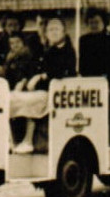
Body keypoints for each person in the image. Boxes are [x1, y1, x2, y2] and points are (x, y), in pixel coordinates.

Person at [14, 15, 77, 154]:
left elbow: (61, 71)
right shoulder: (49, 50)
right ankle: (13, 139)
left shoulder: (67, 50)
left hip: (58, 92)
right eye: (50, 29)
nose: (53, 32)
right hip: (43, 90)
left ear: (63, 32)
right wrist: (25, 80)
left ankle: (28, 140)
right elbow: (34, 67)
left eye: (56, 29)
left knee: (31, 102)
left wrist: (40, 76)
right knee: (13, 99)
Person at [79, 8, 110, 78]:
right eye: (91, 23)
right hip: (89, 78)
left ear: (104, 22)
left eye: (96, 22)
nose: (94, 25)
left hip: (108, 77)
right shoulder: (83, 40)